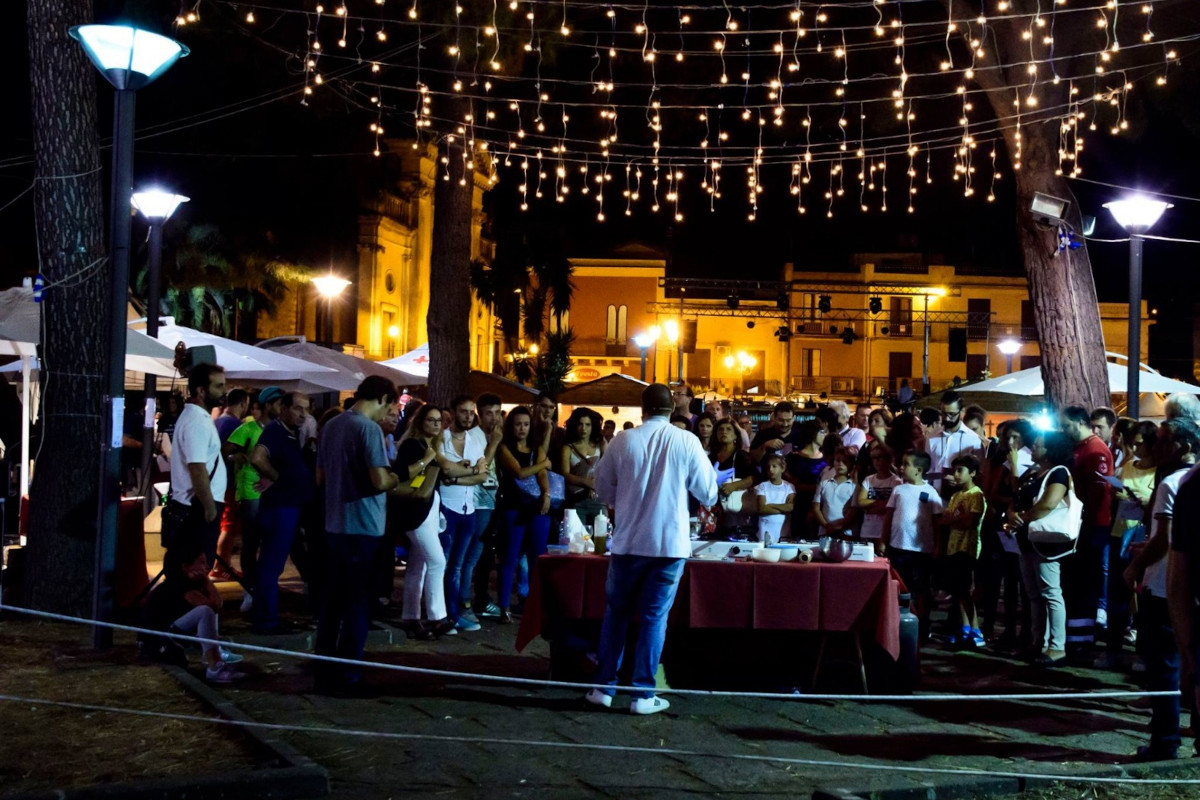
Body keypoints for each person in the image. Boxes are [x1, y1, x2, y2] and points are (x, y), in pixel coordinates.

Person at [586, 384, 718, 715]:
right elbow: (708, 492)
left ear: (642, 407)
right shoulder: (686, 440)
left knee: (616, 615)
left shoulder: (623, 440)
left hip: (629, 541)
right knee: (653, 618)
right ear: (672, 407)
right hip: (668, 543)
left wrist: (623, 501)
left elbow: (601, 487)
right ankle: (643, 694)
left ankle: (603, 687)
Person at [314, 375, 404, 696]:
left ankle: (323, 668)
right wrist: (396, 478)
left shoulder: (331, 426)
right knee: (358, 605)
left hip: (334, 525)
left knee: (332, 603)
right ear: (382, 398)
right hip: (363, 527)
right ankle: (349, 674)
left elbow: (320, 477)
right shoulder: (367, 429)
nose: (389, 414)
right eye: (390, 406)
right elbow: (379, 480)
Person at [1123, 418, 1200, 761]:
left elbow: (1164, 540)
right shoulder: (1191, 479)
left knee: (1164, 665)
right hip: (1187, 585)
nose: (1155, 446)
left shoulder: (1174, 483)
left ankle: (1165, 739)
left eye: (1164, 441)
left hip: (1165, 586)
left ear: (1184, 446)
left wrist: (1136, 566)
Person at [1008, 431, 1076, 667]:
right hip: (1028, 539)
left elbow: (1049, 503)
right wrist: (1014, 515)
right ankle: (1038, 642)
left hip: (1047, 542)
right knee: (1033, 595)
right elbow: (1015, 496)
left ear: (1051, 450)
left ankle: (1057, 646)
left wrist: (1023, 517)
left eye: (1038, 445)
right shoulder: (1032, 472)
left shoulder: (1059, 473)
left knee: (1051, 593)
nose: (1033, 448)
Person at [248, 391, 313, 634]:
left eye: (306, 409)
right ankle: (267, 621)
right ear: (283, 408)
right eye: (297, 408)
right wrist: (276, 478)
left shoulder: (291, 433)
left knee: (273, 564)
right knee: (270, 564)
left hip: (288, 505)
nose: (302, 414)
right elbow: (257, 457)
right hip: (279, 508)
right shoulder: (276, 432)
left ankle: (268, 616)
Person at [143, 539, 244, 684]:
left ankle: (211, 652)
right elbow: (210, 607)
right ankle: (215, 668)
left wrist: (206, 580)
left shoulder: (190, 581)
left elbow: (218, 604)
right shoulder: (178, 584)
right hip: (157, 644)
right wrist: (205, 580)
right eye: (202, 562)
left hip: (168, 636)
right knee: (204, 611)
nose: (207, 566)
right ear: (185, 567)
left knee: (207, 611)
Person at [1099, 420, 1158, 669]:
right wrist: (1115, 493)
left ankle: (1143, 654)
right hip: (1119, 533)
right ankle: (1113, 650)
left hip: (1143, 537)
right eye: (1133, 443)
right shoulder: (1128, 467)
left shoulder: (1160, 471)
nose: (1136, 448)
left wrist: (1140, 499)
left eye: (1140, 443)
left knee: (1144, 597)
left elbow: (1157, 505)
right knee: (1117, 593)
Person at [393, 402, 454, 639]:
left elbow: (447, 471)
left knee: (419, 566)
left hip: (429, 509)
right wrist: (428, 460)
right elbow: (402, 474)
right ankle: (437, 617)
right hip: (415, 510)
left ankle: (411, 617)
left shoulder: (432, 445)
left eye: (439, 421)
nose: (436, 424)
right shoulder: (413, 444)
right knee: (437, 561)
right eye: (431, 420)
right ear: (420, 421)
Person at [1060, 404, 1115, 660]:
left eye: (1067, 425)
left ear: (1080, 423)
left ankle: (1083, 644)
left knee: (1086, 585)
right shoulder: (1081, 448)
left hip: (1092, 527)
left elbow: (1098, 494)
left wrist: (1083, 520)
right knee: (1075, 584)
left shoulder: (1095, 451)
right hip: (1080, 525)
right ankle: (1075, 640)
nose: (1064, 430)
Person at [224, 386, 285, 613]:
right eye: (279, 403)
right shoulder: (248, 428)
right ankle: (250, 590)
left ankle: (264, 587)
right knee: (251, 542)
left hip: (273, 492)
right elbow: (225, 450)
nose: (282, 408)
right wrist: (235, 456)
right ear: (268, 405)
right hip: (251, 491)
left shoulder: (280, 429)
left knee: (269, 542)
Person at [166, 364, 228, 571]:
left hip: (198, 504)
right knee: (196, 569)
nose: (223, 392)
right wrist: (210, 507)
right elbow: (197, 468)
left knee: (194, 567)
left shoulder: (198, 418)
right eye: (218, 386)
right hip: (198, 506)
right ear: (201, 390)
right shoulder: (197, 422)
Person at [437, 395, 491, 633]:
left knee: (457, 565)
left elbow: (482, 475)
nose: (468, 416)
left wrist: (457, 477)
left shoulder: (474, 440)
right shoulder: (443, 438)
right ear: (453, 412)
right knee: (443, 563)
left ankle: (454, 614)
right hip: (446, 508)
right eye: (463, 411)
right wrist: (468, 471)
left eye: (471, 412)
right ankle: (442, 614)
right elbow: (443, 471)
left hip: (469, 509)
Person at [495, 405, 553, 622]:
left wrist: (546, 493)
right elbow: (518, 472)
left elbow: (543, 475)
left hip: (537, 507)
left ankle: (535, 606)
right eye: (518, 424)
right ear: (511, 426)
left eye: (526, 424)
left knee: (537, 558)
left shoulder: (536, 447)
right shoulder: (504, 447)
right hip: (513, 506)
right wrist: (542, 464)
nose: (522, 428)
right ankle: (504, 606)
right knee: (510, 557)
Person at [885, 449, 945, 639]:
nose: (901, 468)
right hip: (897, 547)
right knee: (897, 586)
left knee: (921, 589)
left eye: (906, 464)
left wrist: (937, 545)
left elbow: (937, 522)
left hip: (921, 549)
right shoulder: (898, 489)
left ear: (919, 470)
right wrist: (882, 540)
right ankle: (896, 623)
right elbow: (888, 516)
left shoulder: (930, 492)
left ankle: (922, 625)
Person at [465, 393, 505, 622]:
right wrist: (495, 443)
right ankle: (468, 602)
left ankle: (479, 599)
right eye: (488, 413)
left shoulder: (494, 436)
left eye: (497, 413)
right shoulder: (475, 437)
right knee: (474, 554)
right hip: (478, 501)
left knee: (486, 555)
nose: (493, 418)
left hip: (491, 500)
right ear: (479, 414)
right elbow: (482, 468)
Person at [944, 454, 987, 648]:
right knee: (957, 590)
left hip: (967, 547)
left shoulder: (976, 495)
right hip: (953, 546)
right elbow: (944, 520)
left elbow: (970, 521)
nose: (956, 474)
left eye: (960, 470)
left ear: (973, 473)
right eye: (955, 470)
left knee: (964, 589)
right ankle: (965, 627)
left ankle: (976, 629)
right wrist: (956, 519)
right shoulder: (956, 495)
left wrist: (955, 519)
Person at [211, 388, 249, 581]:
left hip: (216, 482)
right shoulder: (235, 425)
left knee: (223, 523)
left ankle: (219, 564)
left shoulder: (217, 421)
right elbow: (228, 453)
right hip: (230, 481)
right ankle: (221, 566)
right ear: (243, 403)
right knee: (229, 524)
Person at [926, 391, 986, 499]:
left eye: (952, 414)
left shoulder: (973, 440)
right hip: (934, 498)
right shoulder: (931, 437)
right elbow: (928, 469)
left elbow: (980, 473)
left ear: (961, 411)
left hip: (963, 499)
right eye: (944, 413)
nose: (947, 418)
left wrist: (961, 480)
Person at [561, 407, 606, 529]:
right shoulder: (568, 447)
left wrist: (595, 485)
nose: (584, 429)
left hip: (597, 499)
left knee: (600, 539)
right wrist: (587, 482)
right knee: (576, 540)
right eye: (580, 424)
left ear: (593, 426)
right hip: (576, 499)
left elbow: (607, 470)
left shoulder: (599, 445)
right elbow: (565, 474)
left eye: (587, 425)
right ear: (574, 426)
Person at [710, 419, 755, 534]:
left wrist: (734, 486)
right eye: (720, 429)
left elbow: (754, 477)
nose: (724, 432)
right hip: (715, 507)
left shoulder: (741, 455)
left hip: (736, 508)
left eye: (728, 429)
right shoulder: (711, 457)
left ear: (736, 435)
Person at [855, 442, 902, 546]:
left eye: (880, 457)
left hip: (884, 530)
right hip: (867, 529)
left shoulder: (896, 481)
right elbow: (860, 502)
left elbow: (890, 506)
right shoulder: (868, 479)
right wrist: (880, 503)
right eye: (874, 458)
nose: (876, 461)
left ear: (889, 459)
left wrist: (870, 507)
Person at [813, 447, 856, 537]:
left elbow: (854, 510)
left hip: (846, 532)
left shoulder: (854, 486)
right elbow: (816, 508)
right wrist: (826, 525)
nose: (840, 464)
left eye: (844, 461)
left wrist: (840, 527)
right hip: (825, 531)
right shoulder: (824, 483)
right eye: (837, 460)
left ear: (851, 464)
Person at [754, 454, 795, 544]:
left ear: (782, 468)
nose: (770, 469)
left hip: (783, 532)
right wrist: (783, 509)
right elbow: (761, 509)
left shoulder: (789, 487)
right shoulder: (763, 486)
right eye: (768, 467)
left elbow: (790, 507)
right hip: (765, 530)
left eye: (774, 466)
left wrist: (771, 505)